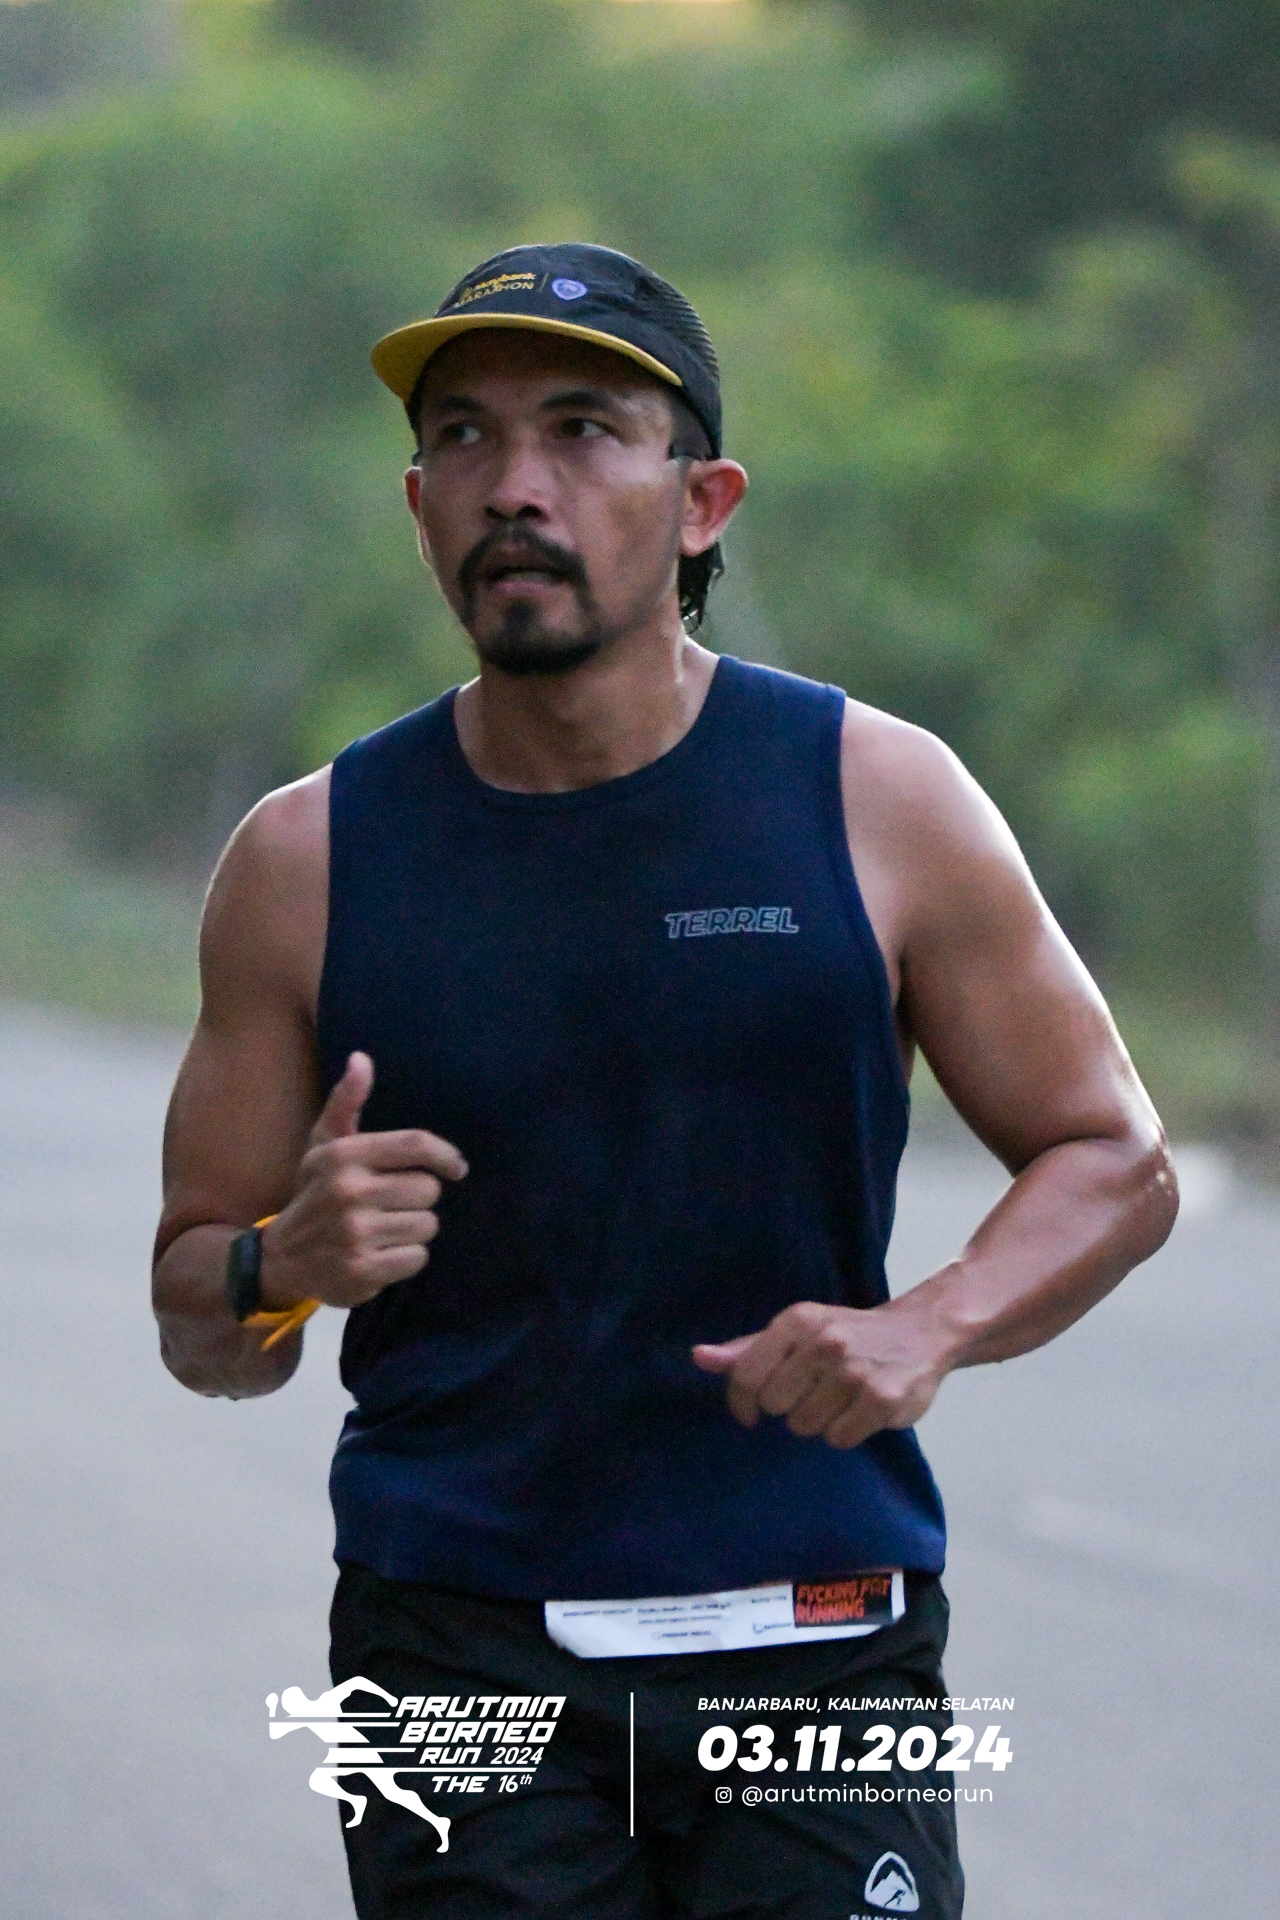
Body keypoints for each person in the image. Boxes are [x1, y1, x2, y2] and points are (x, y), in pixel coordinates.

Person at [152, 243, 1179, 1919]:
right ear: (418, 507)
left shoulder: (877, 797)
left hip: (816, 1634)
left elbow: (1114, 1157)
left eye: (580, 430)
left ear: (704, 502)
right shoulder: (306, 860)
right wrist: (285, 1266)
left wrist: (930, 1323)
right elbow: (201, 1317)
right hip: (454, 1654)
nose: (515, 484)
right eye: (465, 439)